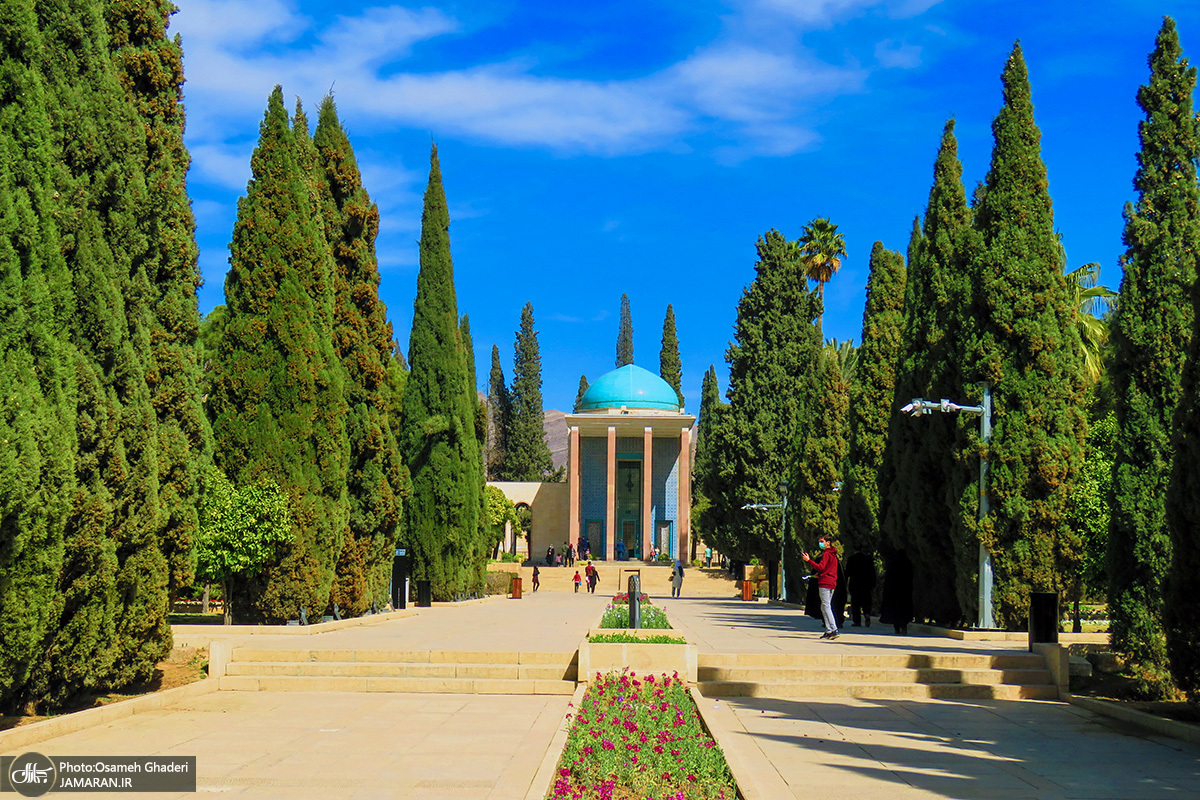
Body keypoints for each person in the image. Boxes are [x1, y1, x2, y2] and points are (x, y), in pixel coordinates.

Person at [802, 534, 841, 640]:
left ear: (828, 542)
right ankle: (828, 630)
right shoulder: (834, 555)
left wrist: (809, 560)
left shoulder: (827, 554)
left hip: (825, 583)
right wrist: (818, 575)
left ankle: (834, 629)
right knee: (824, 607)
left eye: (822, 541)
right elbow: (829, 569)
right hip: (832, 582)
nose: (820, 543)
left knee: (826, 606)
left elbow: (821, 567)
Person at [880, 548, 913, 635]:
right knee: (904, 610)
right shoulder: (907, 563)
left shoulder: (892, 564)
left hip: (893, 592)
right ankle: (904, 627)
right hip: (905, 591)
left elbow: (888, 579)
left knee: (895, 611)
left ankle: (897, 629)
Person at [846, 546, 877, 627]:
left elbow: (848, 572)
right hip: (866, 584)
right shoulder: (868, 559)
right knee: (866, 601)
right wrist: (873, 584)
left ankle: (857, 621)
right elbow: (872, 572)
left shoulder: (851, 559)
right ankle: (867, 614)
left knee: (855, 604)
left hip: (855, 584)